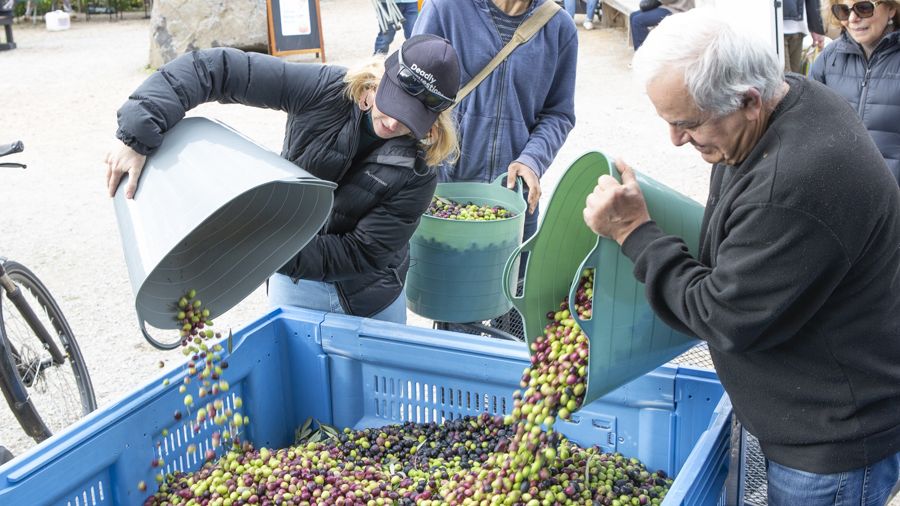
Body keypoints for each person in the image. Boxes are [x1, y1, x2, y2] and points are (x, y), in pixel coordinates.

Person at [583, 8, 900, 504]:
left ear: (749, 100)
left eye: (687, 124)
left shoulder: (793, 183)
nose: (675, 140)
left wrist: (635, 233)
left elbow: (725, 314)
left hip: (829, 439)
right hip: (800, 403)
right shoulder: (787, 98)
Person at [105, 34, 461, 325]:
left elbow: (363, 252)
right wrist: (137, 132)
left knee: (380, 409)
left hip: (371, 298)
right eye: (394, 103)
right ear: (381, 77)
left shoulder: (421, 166)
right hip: (295, 286)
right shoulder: (324, 90)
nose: (396, 124)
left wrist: (261, 247)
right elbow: (217, 70)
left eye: (412, 116)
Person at [413, 0, 577, 246]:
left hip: (511, 198)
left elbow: (558, 113)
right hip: (441, 192)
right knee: (437, 279)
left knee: (508, 283)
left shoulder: (559, 26)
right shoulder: (445, 9)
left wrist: (532, 160)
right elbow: (411, 88)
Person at [810, 0, 899, 182]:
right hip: (842, 191)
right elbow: (807, 125)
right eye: (843, 10)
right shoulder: (829, 58)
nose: (852, 18)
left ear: (891, 8)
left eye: (864, 8)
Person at [629, 0, 693, 50]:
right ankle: (639, 51)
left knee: (637, 20)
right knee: (633, 15)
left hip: (677, 9)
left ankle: (642, 58)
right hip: (666, 6)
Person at [782, 0, 826, 72]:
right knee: (786, 79)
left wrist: (816, 28)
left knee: (795, 78)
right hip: (776, 30)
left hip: (799, 30)